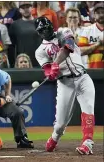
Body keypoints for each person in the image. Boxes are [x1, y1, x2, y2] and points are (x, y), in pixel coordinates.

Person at [35, 17, 95, 155]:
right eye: (42, 30)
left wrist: (55, 62)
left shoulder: (63, 31)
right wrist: (51, 73)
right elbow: (48, 69)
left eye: (47, 27)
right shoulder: (39, 51)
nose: (46, 30)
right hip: (65, 83)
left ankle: (87, 143)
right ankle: (55, 137)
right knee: (60, 123)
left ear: (51, 26)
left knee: (88, 109)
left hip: (82, 78)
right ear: (39, 33)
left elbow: (69, 46)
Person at [9, 2, 42, 67]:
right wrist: (13, 62)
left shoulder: (40, 22)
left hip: (39, 60)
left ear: (32, 8)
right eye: (23, 8)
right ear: (19, 10)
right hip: (22, 62)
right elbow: (11, 46)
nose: (25, 9)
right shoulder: (15, 25)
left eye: (27, 7)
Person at [78, 2, 104, 69]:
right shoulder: (87, 30)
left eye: (103, 12)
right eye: (98, 13)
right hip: (94, 71)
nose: (101, 15)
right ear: (94, 15)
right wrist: (98, 44)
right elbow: (80, 51)